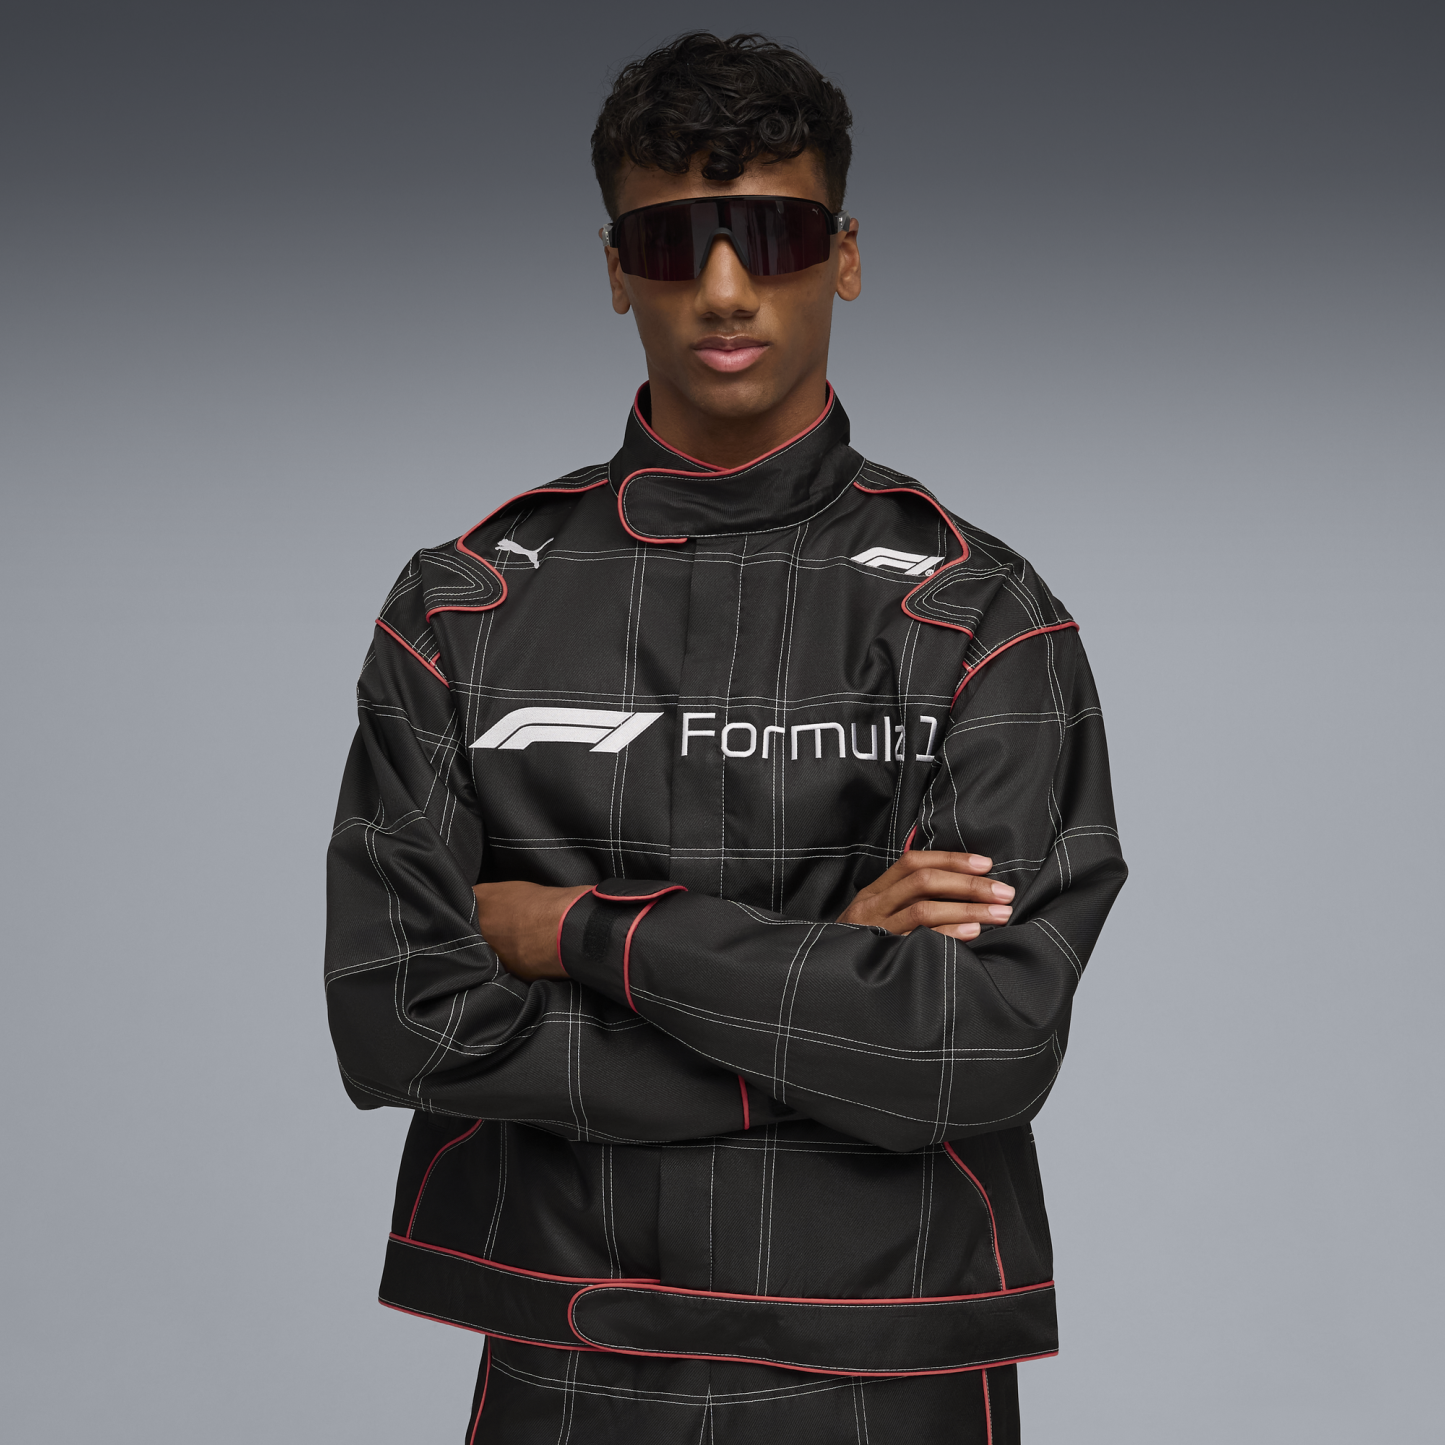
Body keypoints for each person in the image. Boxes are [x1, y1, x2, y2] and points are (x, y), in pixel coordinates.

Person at [325, 31, 1126, 1444]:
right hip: (569, 1341)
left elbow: (974, 1053)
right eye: (671, 240)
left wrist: (582, 933)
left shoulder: (982, 614)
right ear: (614, 268)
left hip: (892, 1357)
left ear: (846, 255)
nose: (724, 288)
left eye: (774, 234)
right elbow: (397, 1021)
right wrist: (831, 981)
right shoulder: (465, 605)